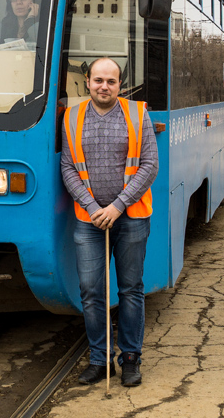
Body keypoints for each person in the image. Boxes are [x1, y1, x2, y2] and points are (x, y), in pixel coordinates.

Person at [60, 57, 158, 388]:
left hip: (130, 218)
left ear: (121, 85)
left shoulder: (137, 113)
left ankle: (130, 360)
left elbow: (149, 165)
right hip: (89, 221)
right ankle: (99, 361)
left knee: (130, 290)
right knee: (91, 292)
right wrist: (91, 207)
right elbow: (67, 167)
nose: (104, 86)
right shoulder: (71, 116)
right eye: (98, 80)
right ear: (87, 82)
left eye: (111, 81)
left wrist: (116, 206)